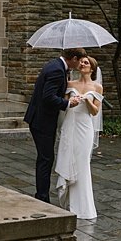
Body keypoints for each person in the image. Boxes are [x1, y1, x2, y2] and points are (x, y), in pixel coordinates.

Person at [23, 47, 84, 204]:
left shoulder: (55, 65)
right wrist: (68, 103)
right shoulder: (57, 70)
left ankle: (41, 194)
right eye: (80, 61)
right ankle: (42, 197)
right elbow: (48, 97)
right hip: (42, 121)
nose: (80, 65)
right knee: (46, 159)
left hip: (39, 119)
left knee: (45, 158)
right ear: (74, 58)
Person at [54, 54, 103, 220]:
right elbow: (64, 104)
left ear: (92, 68)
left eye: (86, 62)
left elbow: (95, 111)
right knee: (68, 159)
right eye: (81, 61)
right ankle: (68, 203)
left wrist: (87, 101)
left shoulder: (97, 88)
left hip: (85, 128)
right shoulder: (70, 83)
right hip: (70, 125)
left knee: (82, 164)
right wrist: (71, 101)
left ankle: (83, 208)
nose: (82, 63)